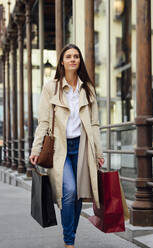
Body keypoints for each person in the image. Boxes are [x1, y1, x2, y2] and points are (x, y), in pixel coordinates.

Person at [29, 44, 104, 248]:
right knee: (69, 191)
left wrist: (98, 151)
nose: (73, 59)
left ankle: (70, 236)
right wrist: (36, 149)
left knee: (78, 194)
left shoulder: (87, 89)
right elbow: (43, 122)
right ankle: (69, 241)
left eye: (76, 56)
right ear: (62, 61)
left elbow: (94, 123)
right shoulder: (50, 87)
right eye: (68, 56)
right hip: (59, 149)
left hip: (82, 148)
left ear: (79, 61)